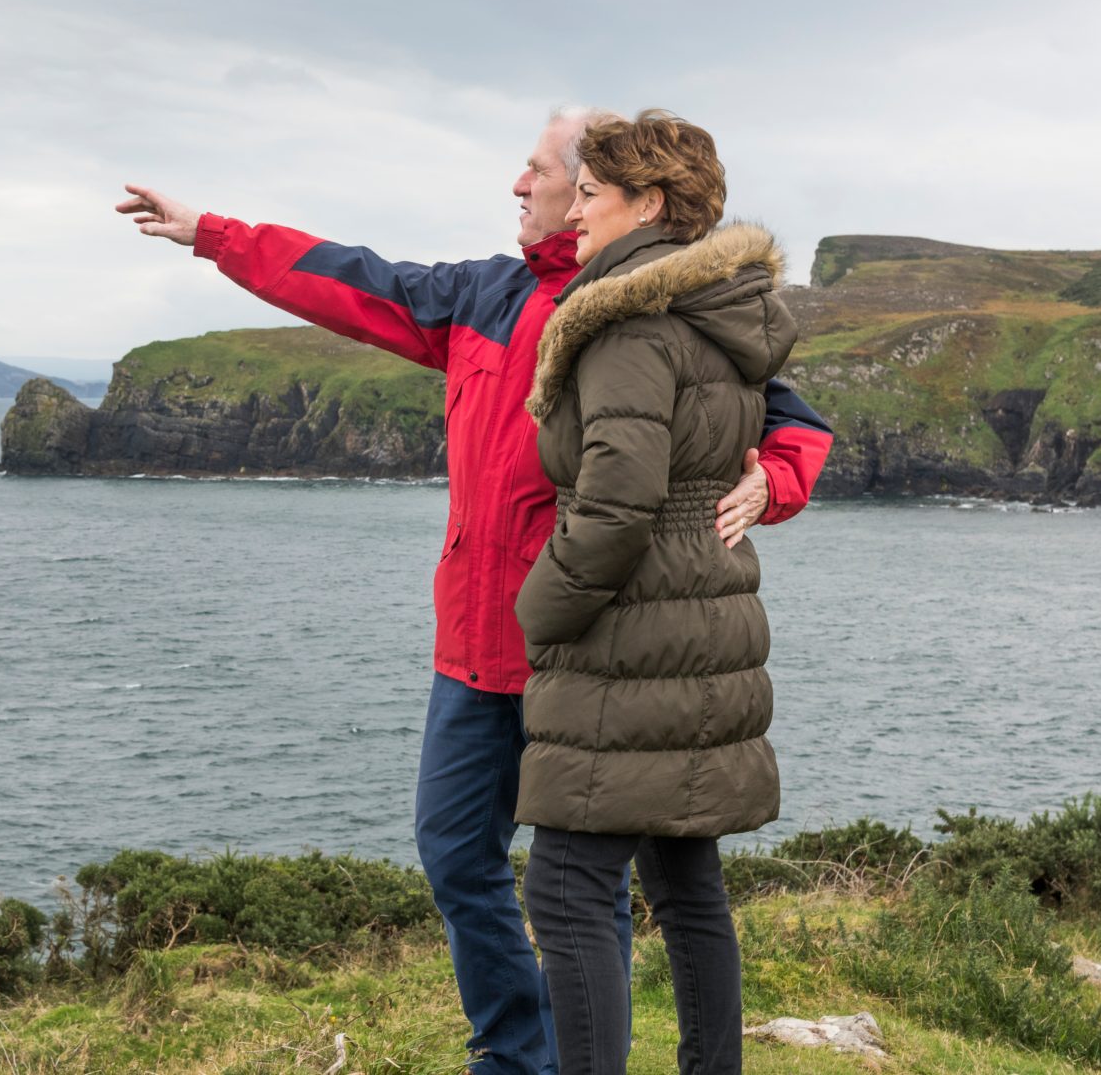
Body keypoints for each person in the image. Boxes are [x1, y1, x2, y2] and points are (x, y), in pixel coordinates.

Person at [116, 108, 831, 1075]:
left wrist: (775, 481)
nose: (521, 188)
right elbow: (352, 280)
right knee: (460, 855)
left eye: (543, 174)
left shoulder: (636, 312)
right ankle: (521, 1048)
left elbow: (776, 410)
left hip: (583, 641)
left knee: (586, 881)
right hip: (478, 649)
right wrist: (212, 234)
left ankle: (569, 1056)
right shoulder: (483, 296)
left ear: (602, 194)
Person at [515, 111, 789, 1074]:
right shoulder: (721, 318)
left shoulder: (626, 323)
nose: (573, 212)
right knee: (685, 882)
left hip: (633, 635)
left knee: (566, 889)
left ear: (650, 206)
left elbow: (617, 507)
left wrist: (537, 616)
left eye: (590, 194)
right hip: (707, 618)